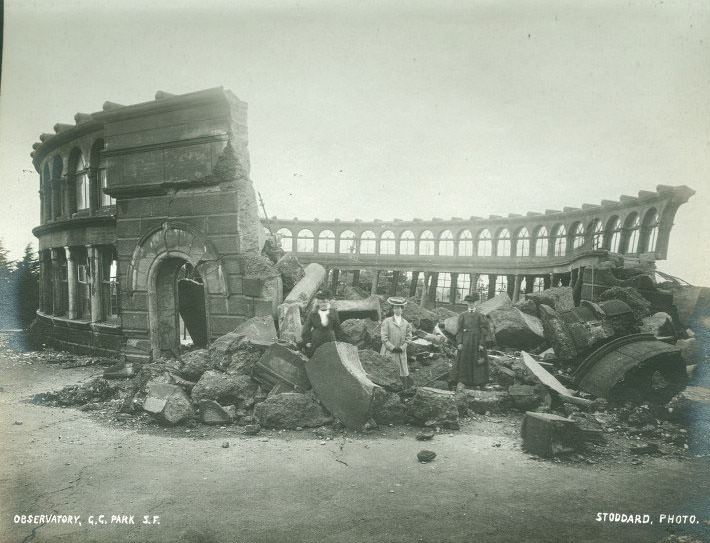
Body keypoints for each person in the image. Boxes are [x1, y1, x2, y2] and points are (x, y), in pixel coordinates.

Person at [454, 293, 490, 389]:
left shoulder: (480, 316)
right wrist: (460, 342)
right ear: (467, 303)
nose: (471, 304)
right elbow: (459, 330)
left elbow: (484, 331)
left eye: (472, 302)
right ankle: (462, 381)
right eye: (469, 302)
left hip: (476, 342)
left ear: (476, 303)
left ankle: (480, 382)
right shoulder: (462, 315)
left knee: (478, 361)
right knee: (464, 361)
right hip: (465, 342)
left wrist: (481, 343)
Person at [380, 296, 414, 389]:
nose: (397, 310)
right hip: (389, 352)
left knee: (401, 373)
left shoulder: (406, 324)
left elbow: (409, 338)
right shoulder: (387, 322)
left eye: (399, 307)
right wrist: (392, 347)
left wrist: (402, 348)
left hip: (401, 353)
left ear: (402, 309)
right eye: (395, 307)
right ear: (392, 309)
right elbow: (384, 338)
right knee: (387, 373)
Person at [300, 289, 343, 356]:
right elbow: (306, 329)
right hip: (317, 339)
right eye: (321, 302)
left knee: (330, 356)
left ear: (328, 302)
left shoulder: (333, 312)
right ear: (318, 303)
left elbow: (338, 328)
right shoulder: (313, 313)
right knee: (316, 356)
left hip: (330, 338)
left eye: (325, 302)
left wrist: (339, 340)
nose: (323, 304)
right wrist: (307, 341)